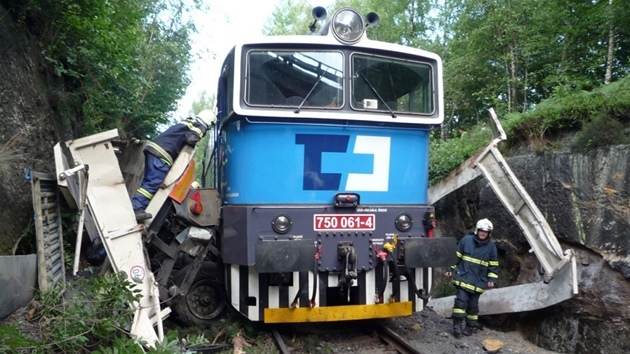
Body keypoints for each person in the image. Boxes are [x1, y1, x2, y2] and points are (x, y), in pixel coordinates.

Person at [131, 110, 216, 221]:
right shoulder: (200, 126)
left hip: (153, 149)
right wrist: (196, 141)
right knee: (153, 183)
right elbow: (190, 139)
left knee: (148, 182)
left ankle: (138, 207)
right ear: (209, 123)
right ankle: (136, 209)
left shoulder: (188, 122)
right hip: (163, 153)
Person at [444, 218, 499, 338]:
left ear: (489, 233)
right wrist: (449, 269)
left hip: (478, 283)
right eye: (482, 231)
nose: (483, 233)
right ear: (477, 230)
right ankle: (457, 327)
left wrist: (492, 280)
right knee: (460, 302)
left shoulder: (491, 247)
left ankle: (470, 327)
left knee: (473, 307)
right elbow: (456, 257)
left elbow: (493, 265)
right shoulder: (466, 240)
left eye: (486, 232)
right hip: (463, 279)